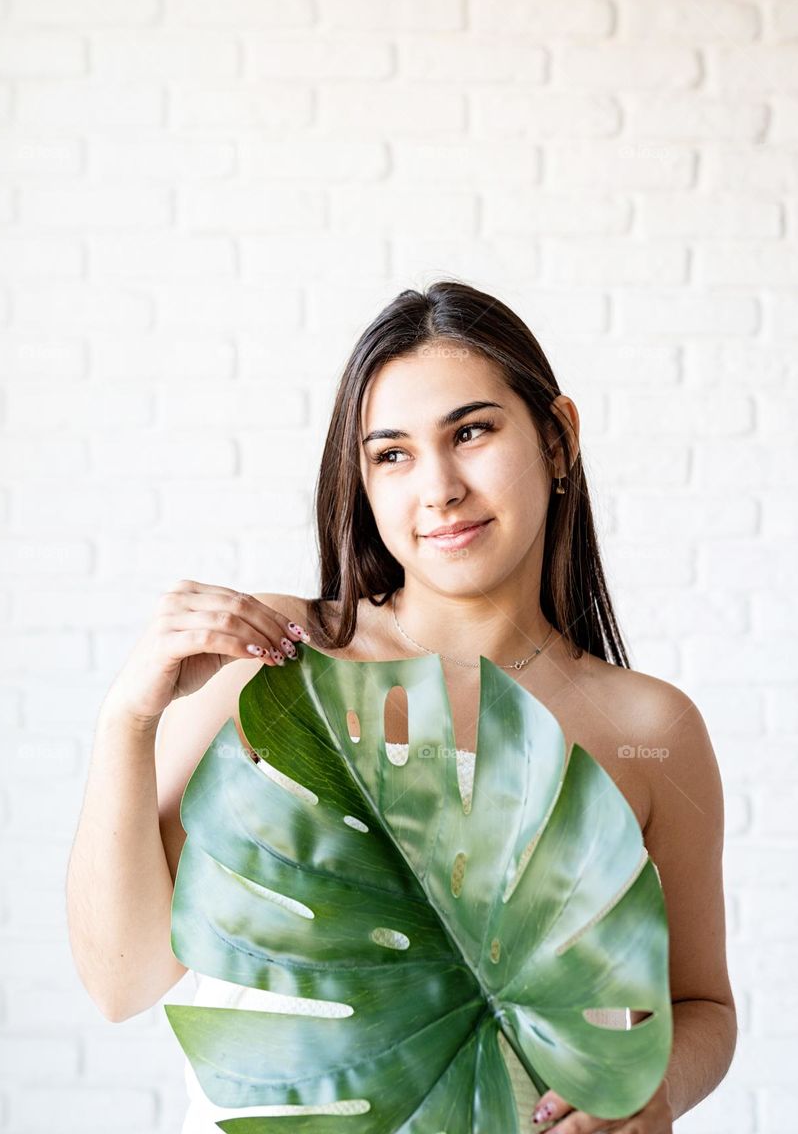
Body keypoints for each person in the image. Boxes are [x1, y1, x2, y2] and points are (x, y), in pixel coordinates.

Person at [66, 279, 737, 1132]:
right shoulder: (275, 667)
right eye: (393, 454)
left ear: (558, 439)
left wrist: (653, 1092)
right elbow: (120, 980)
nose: (440, 487)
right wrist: (126, 721)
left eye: (472, 432)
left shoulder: (649, 729)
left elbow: (702, 1007)